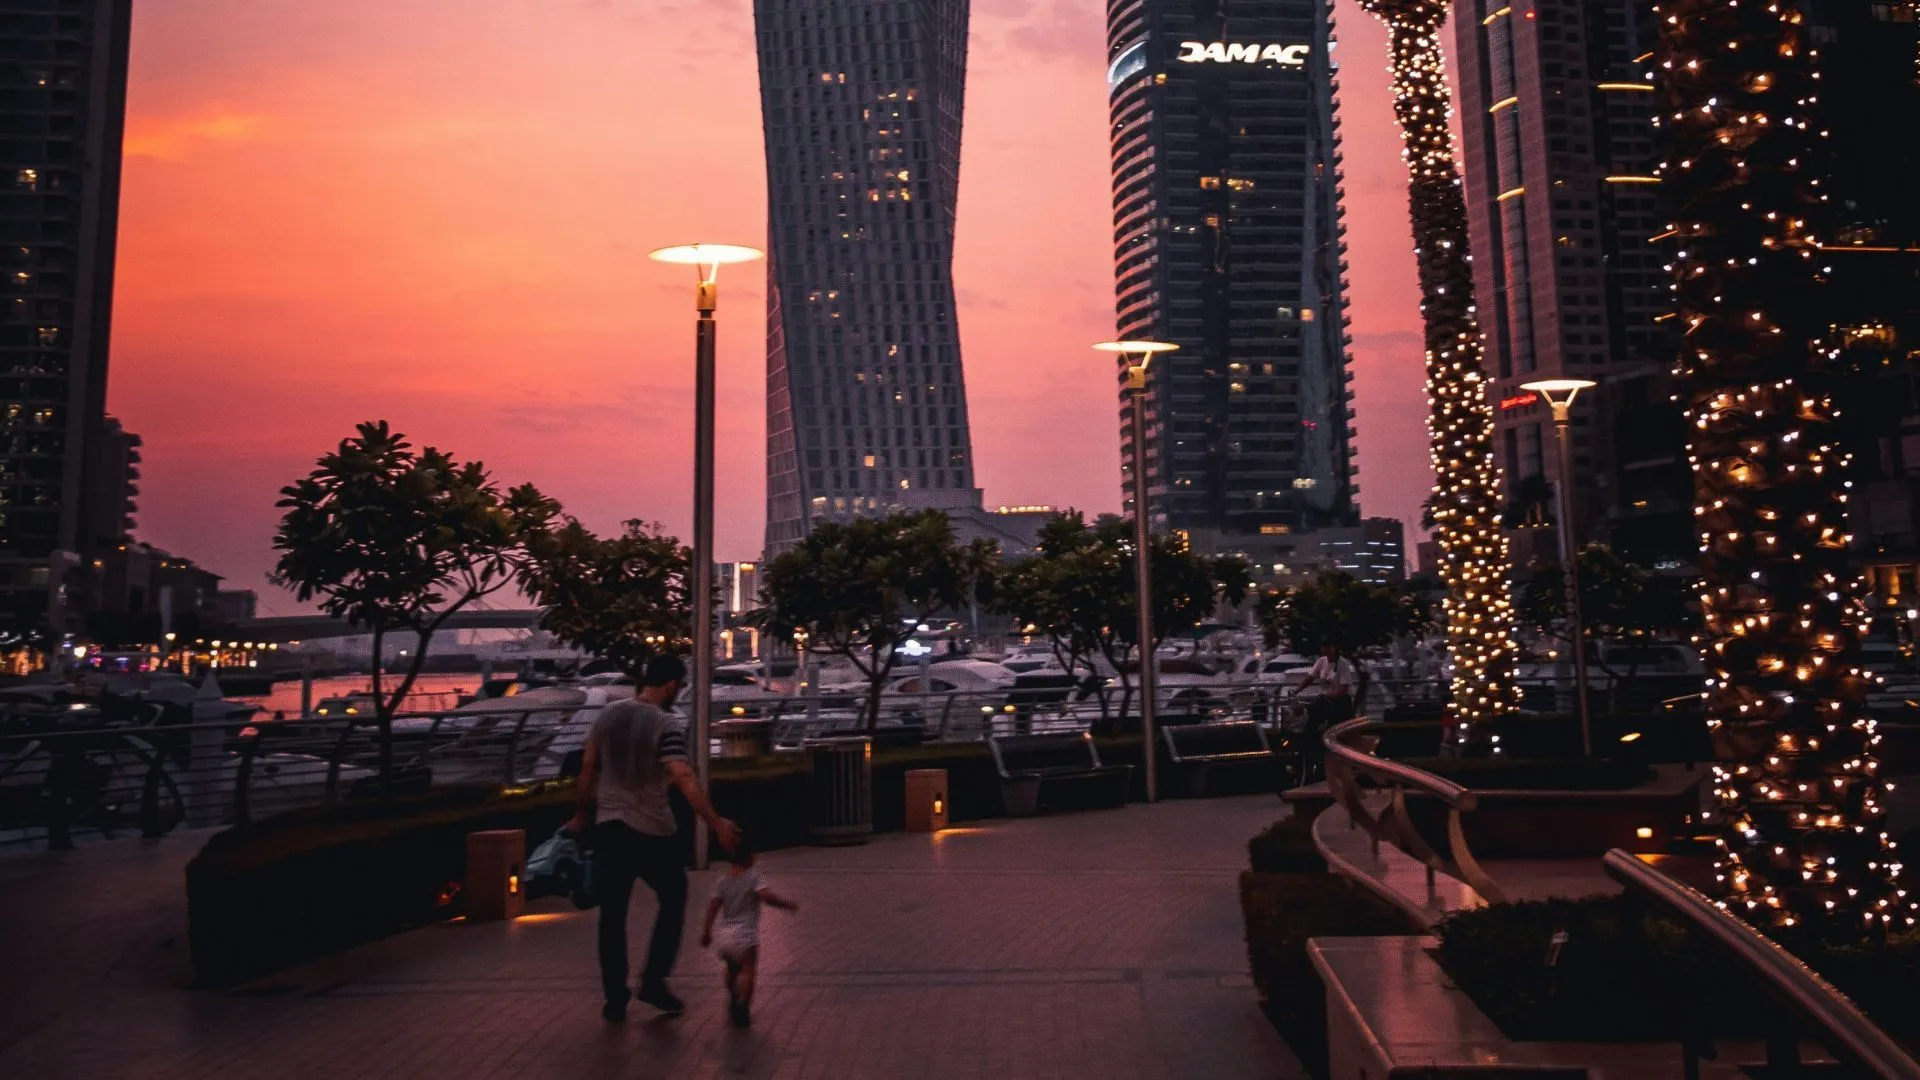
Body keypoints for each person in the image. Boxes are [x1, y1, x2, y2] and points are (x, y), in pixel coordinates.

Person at [569, 654, 741, 1022]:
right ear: (671, 686)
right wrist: (714, 821)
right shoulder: (665, 723)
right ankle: (653, 980)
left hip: (609, 826)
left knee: (611, 915)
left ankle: (615, 997)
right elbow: (682, 775)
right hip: (651, 829)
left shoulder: (607, 715)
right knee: (673, 898)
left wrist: (582, 814)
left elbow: (587, 769)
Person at [699, 842, 798, 1028]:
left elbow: (713, 907)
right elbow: (767, 897)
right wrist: (788, 905)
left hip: (725, 934)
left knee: (731, 968)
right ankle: (743, 1004)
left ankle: (732, 995)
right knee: (747, 970)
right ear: (749, 858)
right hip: (745, 934)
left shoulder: (721, 881)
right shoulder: (754, 878)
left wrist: (706, 931)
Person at [1295, 644, 1357, 781]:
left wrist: (1331, 696)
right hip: (1326, 702)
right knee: (1310, 722)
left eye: (1328, 648)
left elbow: (1344, 687)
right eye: (1323, 648)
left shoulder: (1342, 664)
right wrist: (1297, 690)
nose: (1325, 651)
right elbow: (1309, 678)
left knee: (1334, 732)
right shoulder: (1321, 662)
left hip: (1340, 703)